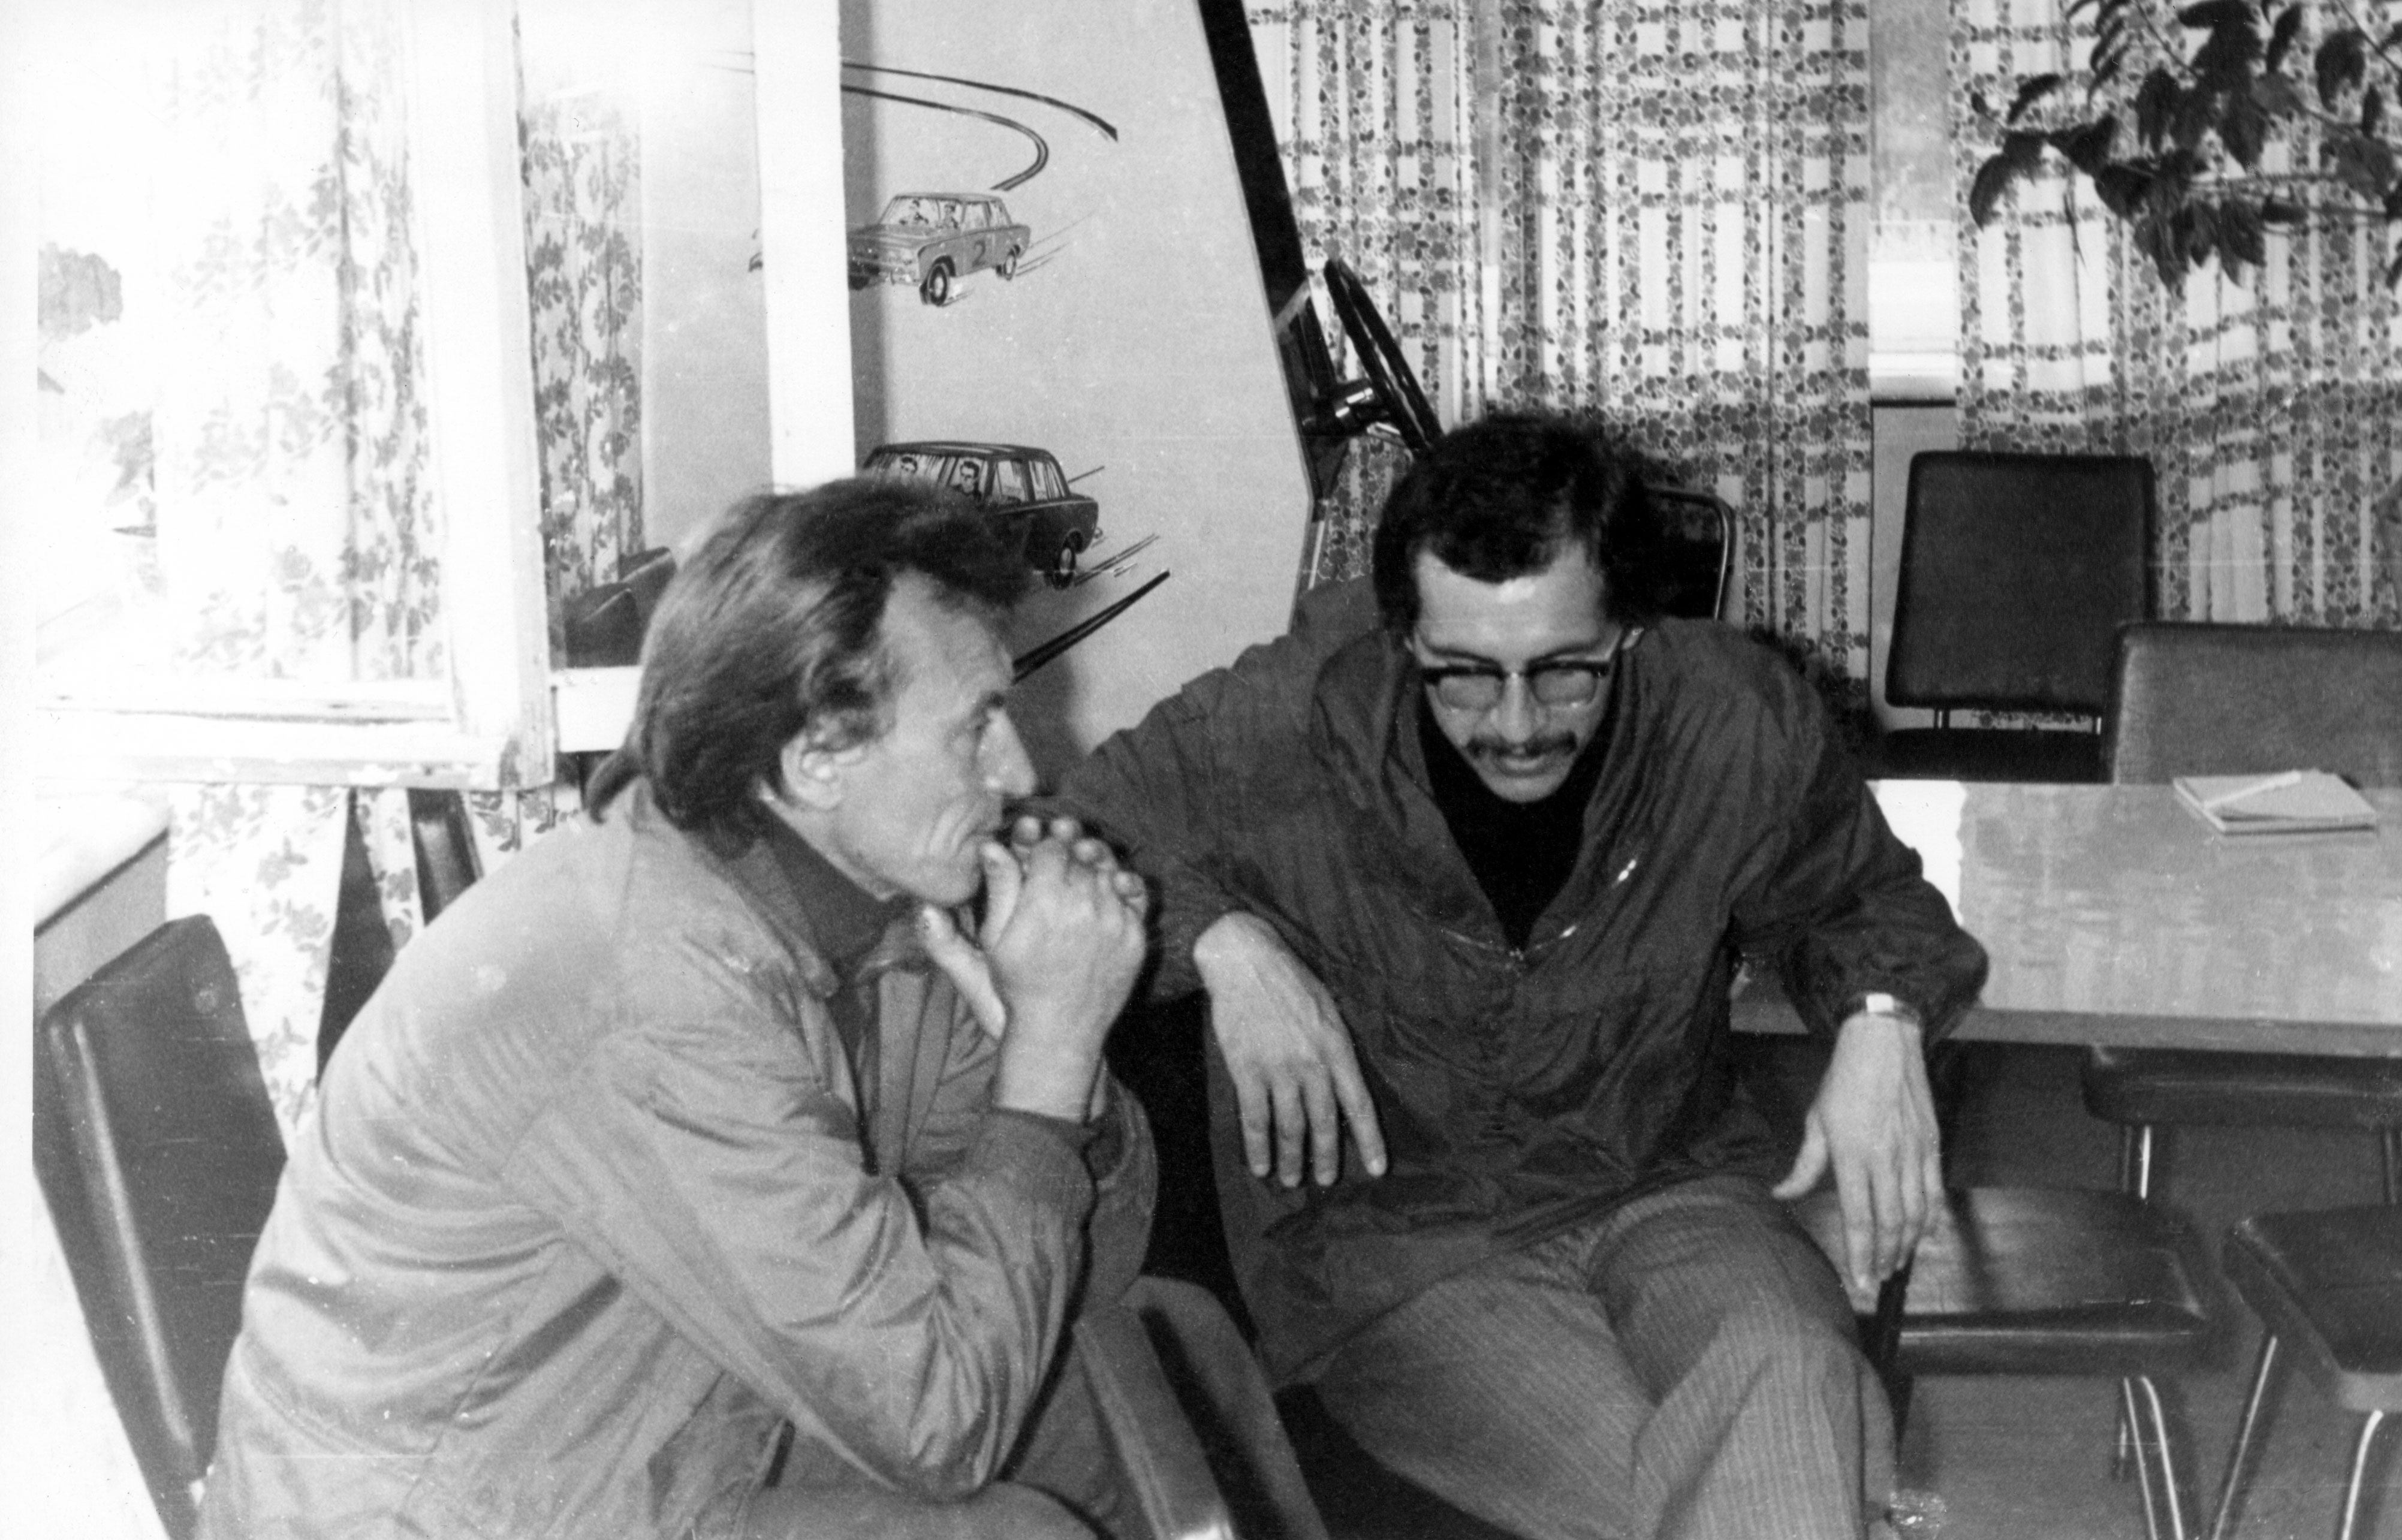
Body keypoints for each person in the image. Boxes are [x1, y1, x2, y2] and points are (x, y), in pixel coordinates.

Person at [1059, 412, 1990, 1540]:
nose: (1514, 725)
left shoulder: (1732, 717)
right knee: (1773, 1482)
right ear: (1404, 635)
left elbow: (1862, 895)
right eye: (1462, 676)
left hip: (1674, 1181)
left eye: (1564, 673)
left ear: (1632, 630)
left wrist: (1883, 1018)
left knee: (1790, 1364)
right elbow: (1051, 852)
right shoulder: (1282, 721)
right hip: (1405, 1249)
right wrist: (1219, 937)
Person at [200, 480, 1162, 1539]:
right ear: (817, 758)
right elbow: (940, 1426)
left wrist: (1052, 1060)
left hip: (644, 1435)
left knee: (1119, 1396)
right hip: (462, 1512)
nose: (1020, 770)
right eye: (975, 726)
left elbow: (1088, 1271)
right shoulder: (656, 988)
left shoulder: (868, 909)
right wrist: (1053, 1052)